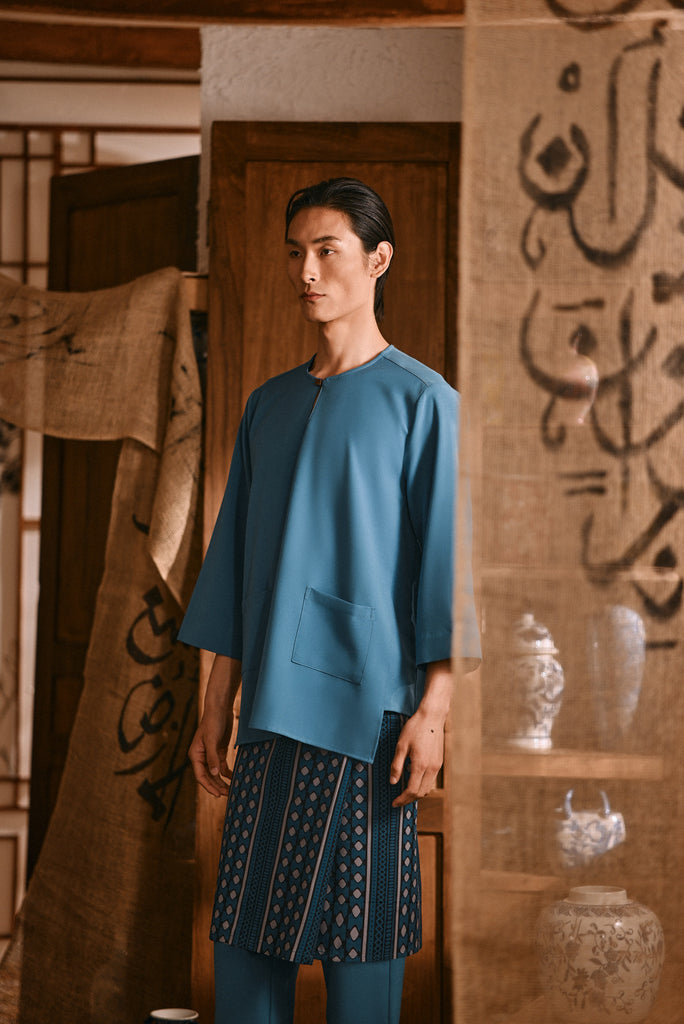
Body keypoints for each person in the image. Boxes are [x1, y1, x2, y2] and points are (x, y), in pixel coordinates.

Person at [178, 177, 480, 1024]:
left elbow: (450, 568)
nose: (306, 271)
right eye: (295, 253)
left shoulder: (425, 401)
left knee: (363, 951)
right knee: (245, 947)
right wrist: (216, 703)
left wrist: (434, 714)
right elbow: (236, 564)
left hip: (373, 718)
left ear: (378, 260)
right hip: (270, 716)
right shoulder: (267, 406)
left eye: (326, 250)